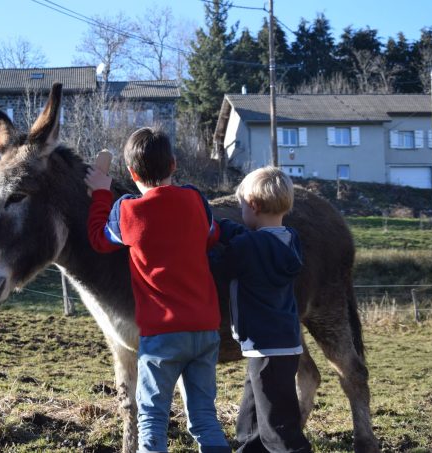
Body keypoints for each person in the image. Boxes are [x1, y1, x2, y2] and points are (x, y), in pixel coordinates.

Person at [84, 127, 231, 453]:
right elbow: (212, 236)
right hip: (206, 331)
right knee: (205, 417)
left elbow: (98, 238)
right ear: (174, 165)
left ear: (132, 173)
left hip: (162, 335)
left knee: (152, 418)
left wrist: (100, 192)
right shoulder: (195, 200)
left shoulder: (128, 212)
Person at [214, 166, 312, 453]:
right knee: (252, 418)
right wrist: (223, 228)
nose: (241, 211)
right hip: (284, 344)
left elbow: (219, 265)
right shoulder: (290, 240)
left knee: (277, 429)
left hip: (265, 346)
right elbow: (248, 238)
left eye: (241, 205)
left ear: (253, 206)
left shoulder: (248, 246)